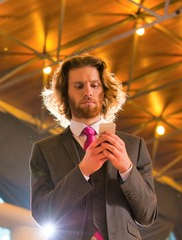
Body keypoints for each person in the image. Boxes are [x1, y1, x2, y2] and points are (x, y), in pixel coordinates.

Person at [29, 54, 157, 240]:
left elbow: (148, 215)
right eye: (79, 86)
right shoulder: (44, 151)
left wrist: (127, 169)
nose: (88, 92)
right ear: (65, 93)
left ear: (104, 91)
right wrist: (82, 171)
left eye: (94, 85)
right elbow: (42, 214)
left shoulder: (134, 146)